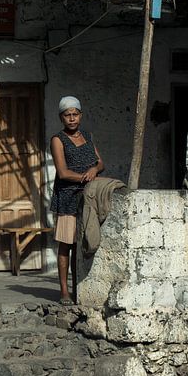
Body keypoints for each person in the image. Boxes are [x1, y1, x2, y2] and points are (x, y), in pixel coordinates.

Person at [49, 96, 125, 306]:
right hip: (68, 197)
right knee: (66, 244)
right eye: (67, 115)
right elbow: (63, 173)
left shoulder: (87, 136)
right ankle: (64, 291)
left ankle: (77, 289)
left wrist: (94, 170)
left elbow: (100, 163)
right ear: (61, 118)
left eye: (75, 114)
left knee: (80, 244)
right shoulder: (58, 139)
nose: (71, 119)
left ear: (80, 115)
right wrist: (85, 177)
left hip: (87, 196)